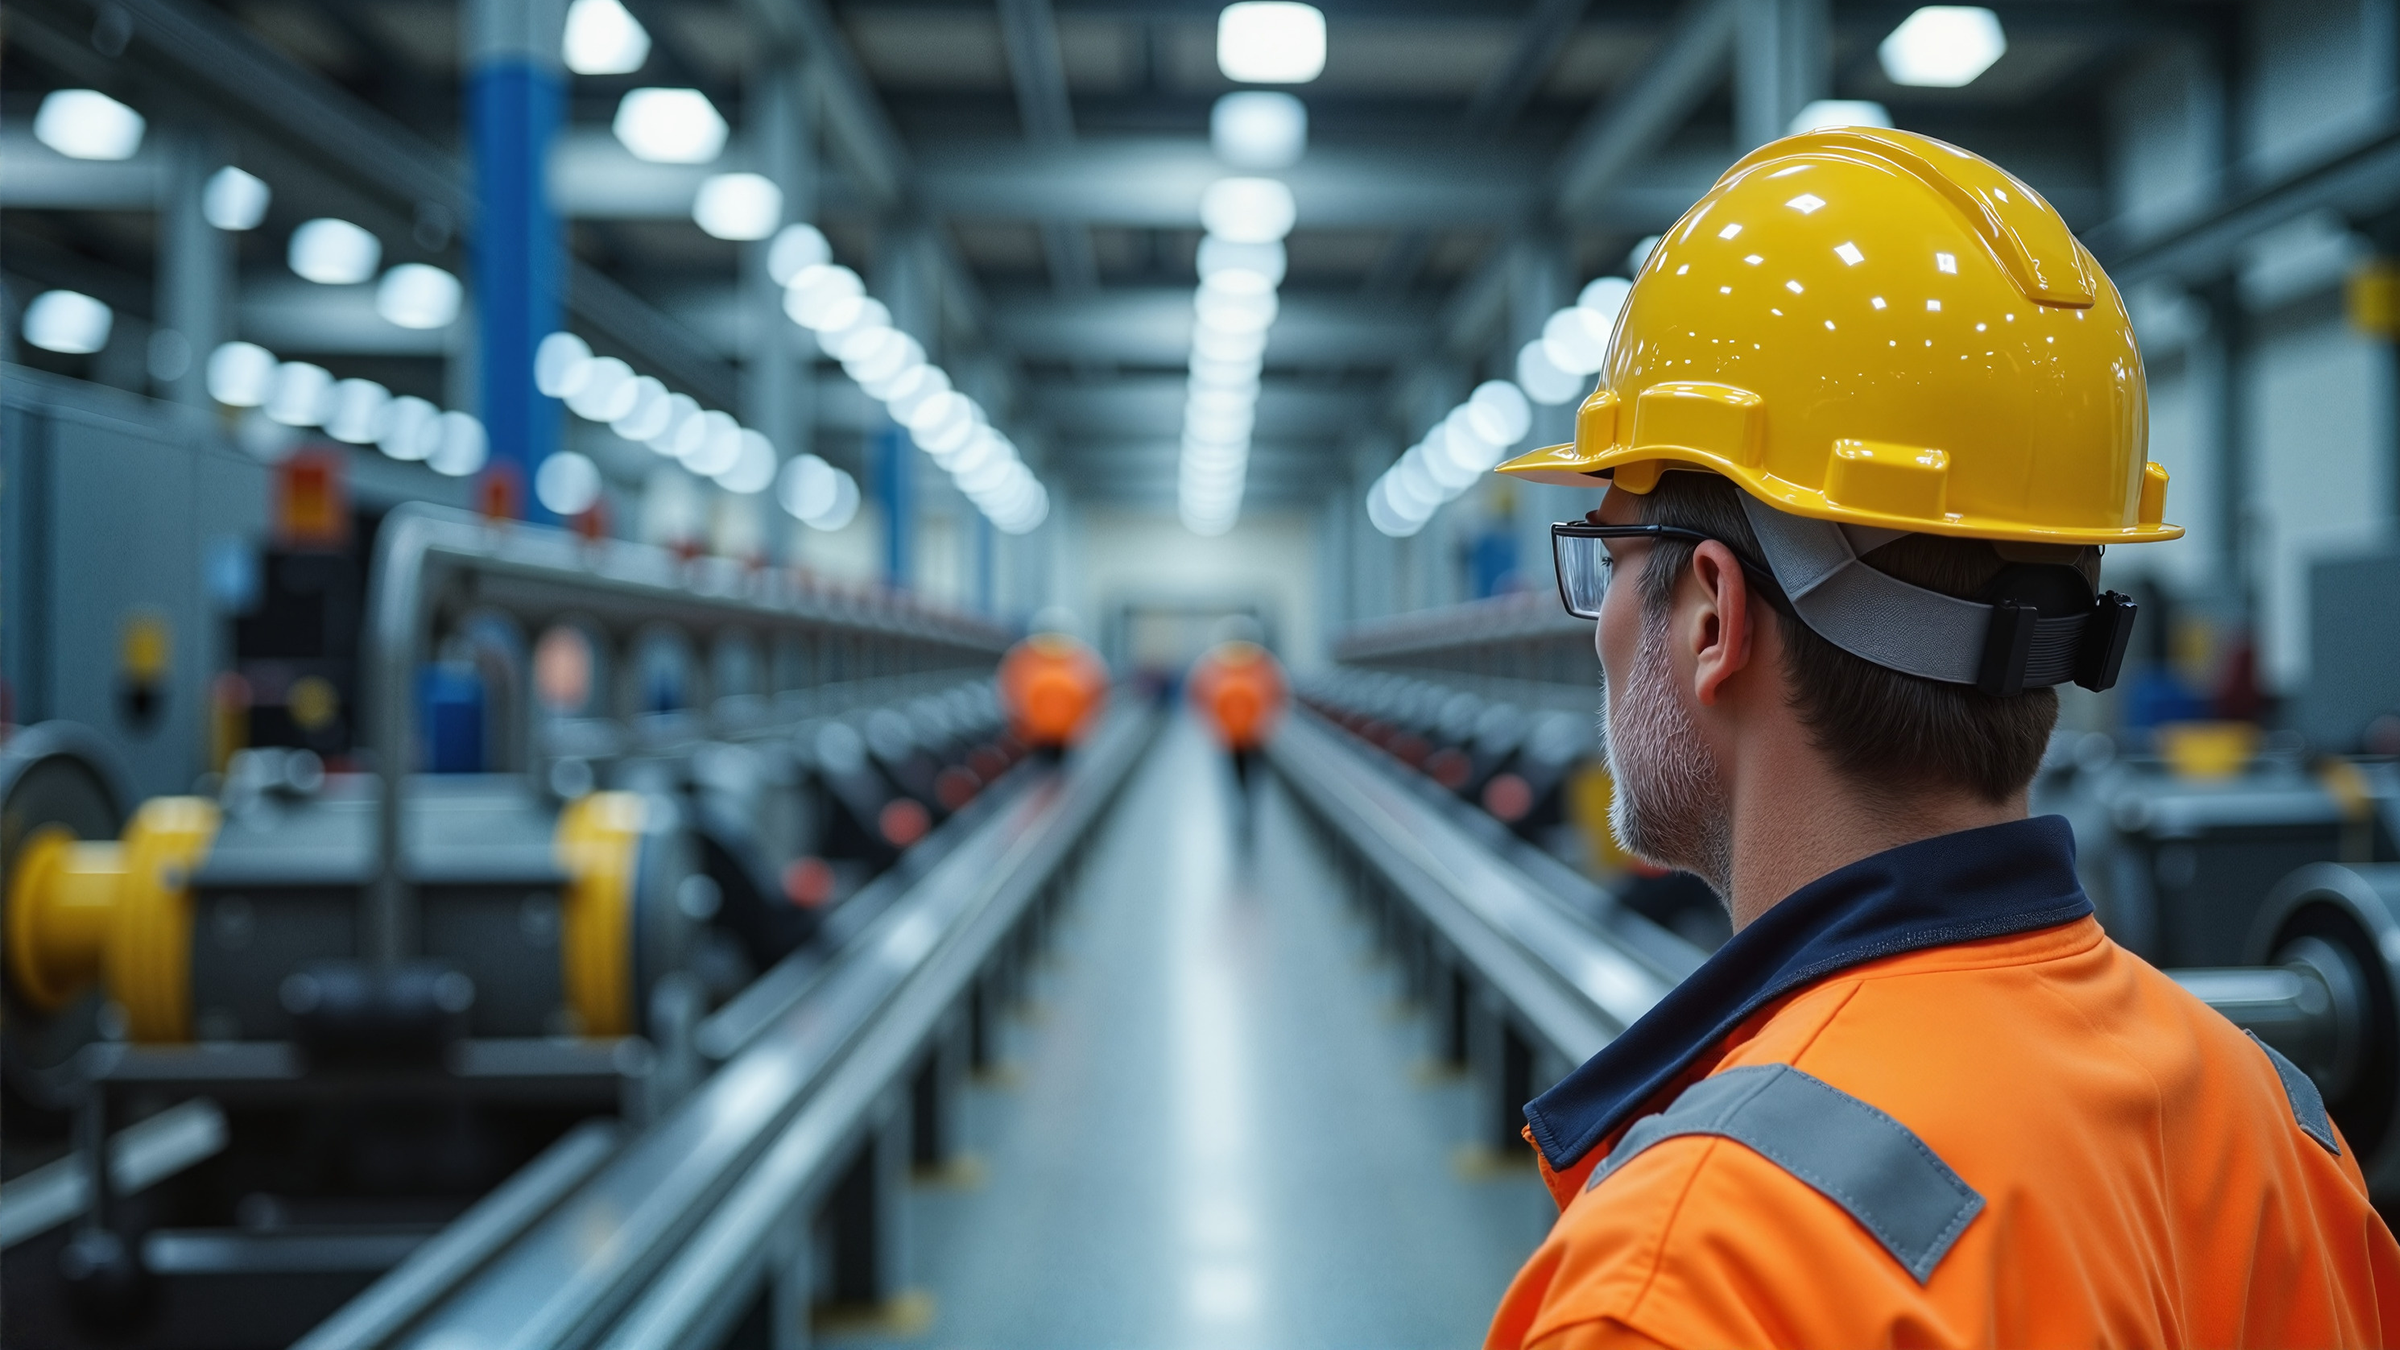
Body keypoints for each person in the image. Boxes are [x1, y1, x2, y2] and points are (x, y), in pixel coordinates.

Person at [1483, 127, 2400, 1348]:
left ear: (1711, 614)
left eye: (1607, 557)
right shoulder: (2281, 1133)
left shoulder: (1683, 1280)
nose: (1600, 627)